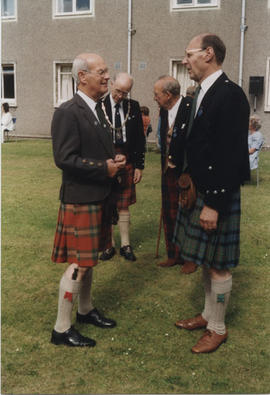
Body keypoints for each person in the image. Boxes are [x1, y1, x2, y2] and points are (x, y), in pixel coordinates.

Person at [173, 33, 250, 353]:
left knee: (218, 264)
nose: (185, 60)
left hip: (218, 193)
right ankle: (208, 314)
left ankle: (218, 328)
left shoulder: (230, 95)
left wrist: (215, 204)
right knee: (206, 260)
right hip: (200, 188)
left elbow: (231, 154)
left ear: (208, 54)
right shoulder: (200, 93)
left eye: (189, 54)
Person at [50, 53, 126, 347]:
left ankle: (85, 310)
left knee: (89, 260)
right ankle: (61, 329)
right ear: (82, 76)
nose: (108, 76)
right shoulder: (68, 111)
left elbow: (92, 149)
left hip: (97, 196)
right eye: (102, 72)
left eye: (107, 71)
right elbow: (64, 159)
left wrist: (112, 159)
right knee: (79, 264)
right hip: (81, 198)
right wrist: (102, 168)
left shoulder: (98, 108)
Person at [99, 72, 145, 262]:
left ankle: (126, 245)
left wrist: (139, 166)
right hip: (106, 159)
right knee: (107, 204)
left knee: (124, 204)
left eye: (125, 93)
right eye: (118, 91)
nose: (120, 96)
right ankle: (108, 246)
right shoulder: (99, 105)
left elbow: (139, 138)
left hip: (127, 158)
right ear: (111, 84)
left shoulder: (132, 106)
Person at [153, 75, 196, 274]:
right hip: (167, 170)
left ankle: (190, 258)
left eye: (157, 94)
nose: (154, 98)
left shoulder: (191, 106)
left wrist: (189, 170)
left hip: (186, 171)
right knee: (169, 212)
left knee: (187, 213)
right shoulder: (163, 110)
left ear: (168, 95)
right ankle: (173, 255)